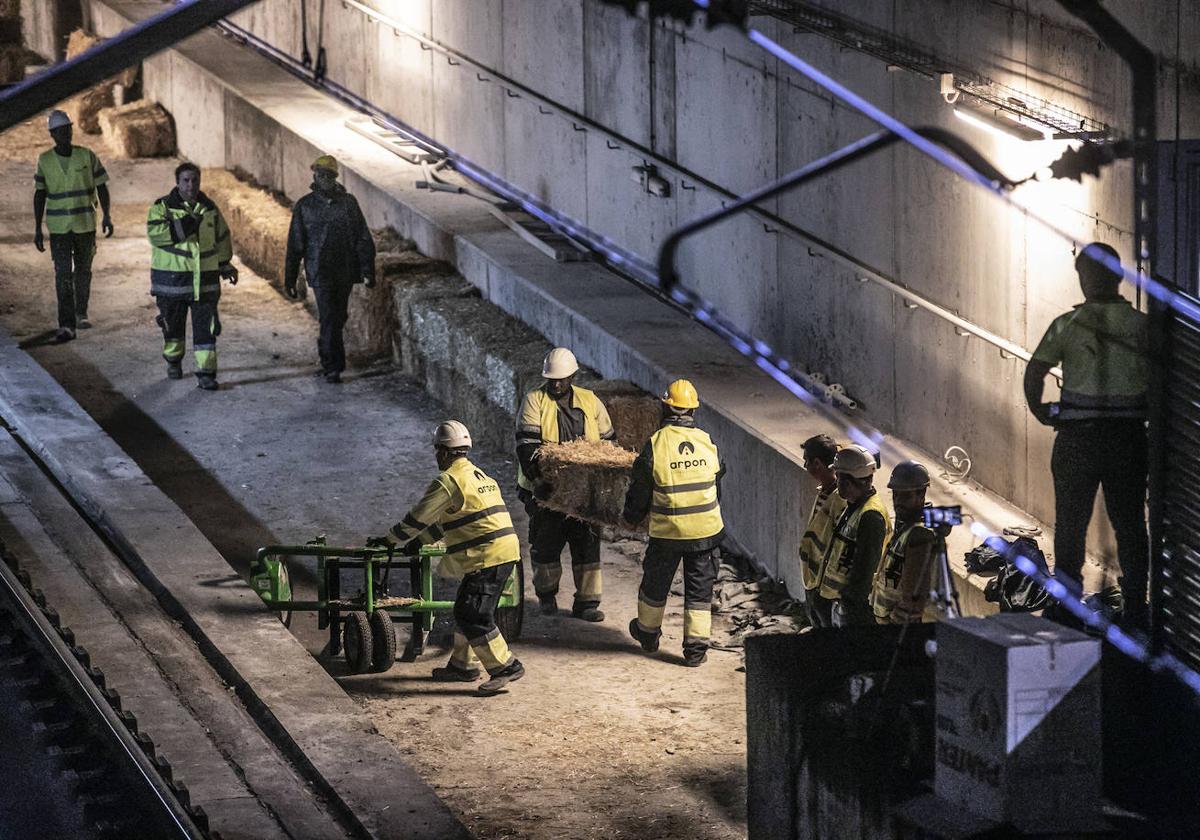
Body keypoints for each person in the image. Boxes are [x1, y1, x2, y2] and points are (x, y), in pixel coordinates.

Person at [1024, 242, 1150, 627]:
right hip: (1128, 440)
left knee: (1071, 522)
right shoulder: (1143, 326)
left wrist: (1043, 412)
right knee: (1129, 522)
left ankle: (1069, 605)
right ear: (1118, 278)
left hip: (1077, 440)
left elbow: (1035, 373)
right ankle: (1134, 606)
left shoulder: (1068, 324)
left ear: (1083, 278)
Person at [386, 420, 525, 696]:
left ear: (445, 452)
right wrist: (418, 543)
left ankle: (506, 666)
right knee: (467, 608)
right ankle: (463, 666)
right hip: (503, 551)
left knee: (472, 613)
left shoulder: (448, 481)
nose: (436, 456)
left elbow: (419, 517)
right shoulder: (479, 476)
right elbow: (446, 523)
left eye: (437, 450)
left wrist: (390, 540)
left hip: (489, 555)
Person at [624, 379, 725, 666]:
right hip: (706, 531)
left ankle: (647, 634)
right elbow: (717, 486)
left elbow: (640, 491)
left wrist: (631, 517)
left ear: (664, 407)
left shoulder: (655, 445)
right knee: (700, 591)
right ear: (693, 411)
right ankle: (695, 651)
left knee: (655, 584)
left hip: (668, 533)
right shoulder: (708, 441)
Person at [515, 347, 615, 621]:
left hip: (583, 492)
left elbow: (609, 443)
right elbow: (526, 445)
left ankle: (587, 602)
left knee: (587, 545)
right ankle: (547, 595)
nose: (557, 384)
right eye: (552, 379)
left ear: (572, 376)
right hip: (546, 490)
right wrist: (537, 480)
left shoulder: (590, 401)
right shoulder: (534, 400)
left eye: (562, 379)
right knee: (546, 543)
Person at [284, 155, 376, 384]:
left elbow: (362, 237)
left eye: (327, 174)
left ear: (334, 178)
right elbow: (295, 244)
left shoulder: (348, 204)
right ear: (314, 176)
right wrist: (290, 277)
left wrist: (368, 268)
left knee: (338, 316)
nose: (322, 178)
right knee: (328, 317)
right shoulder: (305, 207)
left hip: (344, 270)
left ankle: (328, 354)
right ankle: (332, 365)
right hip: (320, 271)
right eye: (319, 174)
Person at [147, 163, 238, 390]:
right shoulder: (162, 208)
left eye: (195, 180)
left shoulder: (209, 209)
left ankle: (206, 373)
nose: (191, 185)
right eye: (186, 180)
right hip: (172, 285)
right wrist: (189, 222)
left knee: (205, 332)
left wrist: (225, 265)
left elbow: (222, 238)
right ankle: (173, 361)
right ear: (177, 182)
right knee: (173, 332)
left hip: (205, 285)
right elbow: (156, 235)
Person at [33, 110, 113, 342]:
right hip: (59, 229)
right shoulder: (45, 161)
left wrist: (107, 216)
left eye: (67, 129)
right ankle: (66, 323)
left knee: (83, 271)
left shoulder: (86, 156)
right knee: (63, 275)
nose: (65, 134)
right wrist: (38, 228)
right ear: (52, 134)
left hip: (85, 225)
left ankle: (81, 312)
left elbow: (102, 187)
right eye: (59, 131)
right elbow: (39, 195)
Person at [816, 444, 892, 626]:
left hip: (854, 613)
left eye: (838, 476)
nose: (835, 481)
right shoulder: (854, 507)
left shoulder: (870, 516)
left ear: (848, 482)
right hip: (841, 606)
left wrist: (848, 604)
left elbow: (864, 570)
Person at [871, 460, 937, 624]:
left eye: (906, 495)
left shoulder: (919, 535)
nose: (898, 501)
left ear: (921, 494)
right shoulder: (905, 526)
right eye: (895, 494)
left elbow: (913, 597)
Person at [798, 434, 845, 628]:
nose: (804, 466)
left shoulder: (838, 499)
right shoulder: (826, 492)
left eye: (806, 461)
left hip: (826, 586)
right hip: (814, 580)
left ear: (817, 463)